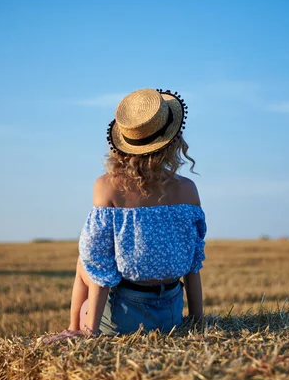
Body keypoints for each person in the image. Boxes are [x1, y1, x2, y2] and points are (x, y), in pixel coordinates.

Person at [48, 88, 206, 341]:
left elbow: (99, 266)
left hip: (123, 318)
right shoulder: (188, 189)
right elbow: (193, 262)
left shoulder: (107, 187)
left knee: (84, 260)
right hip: (171, 314)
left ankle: (75, 329)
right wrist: (197, 320)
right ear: (173, 140)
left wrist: (92, 333)